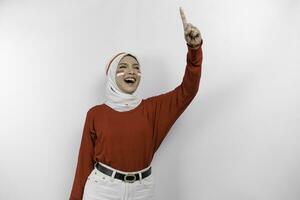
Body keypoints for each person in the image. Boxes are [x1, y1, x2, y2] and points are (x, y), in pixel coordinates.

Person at [69, 7, 203, 200]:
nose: (131, 71)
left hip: (142, 191)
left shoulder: (153, 109)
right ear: (111, 76)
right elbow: (83, 165)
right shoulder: (96, 114)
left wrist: (194, 50)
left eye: (136, 67)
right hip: (102, 190)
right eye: (123, 67)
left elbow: (187, 91)